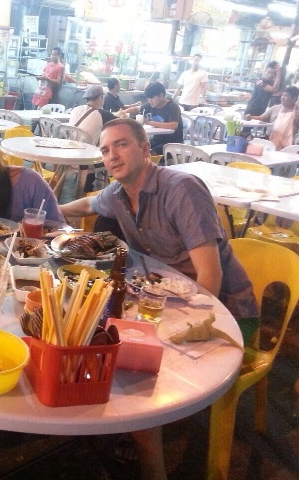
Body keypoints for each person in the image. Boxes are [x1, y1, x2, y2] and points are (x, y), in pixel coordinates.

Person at [60, 118, 258, 480]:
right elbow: (88, 203)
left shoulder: (181, 189)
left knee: (136, 363)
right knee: (101, 332)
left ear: (145, 149)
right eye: (105, 150)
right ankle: (132, 424)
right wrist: (51, 210)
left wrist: (175, 331)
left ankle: (150, 452)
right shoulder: (118, 195)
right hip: (163, 299)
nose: (111, 155)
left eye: (121, 144)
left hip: (225, 312)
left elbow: (210, 278)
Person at [121, 82, 183, 155]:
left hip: (172, 144)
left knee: (148, 153)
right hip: (157, 141)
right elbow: (137, 109)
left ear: (161, 95)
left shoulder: (172, 107)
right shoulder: (152, 104)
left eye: (152, 98)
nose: (150, 101)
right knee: (138, 147)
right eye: (148, 98)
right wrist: (124, 112)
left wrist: (149, 122)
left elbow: (173, 125)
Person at [245, 86, 299, 150]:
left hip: (289, 146)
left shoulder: (297, 111)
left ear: (294, 98)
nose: (282, 98)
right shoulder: (275, 108)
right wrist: (251, 117)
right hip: (271, 141)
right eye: (282, 95)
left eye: (286, 96)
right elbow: (263, 117)